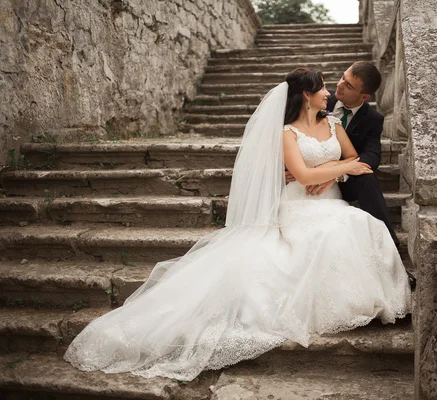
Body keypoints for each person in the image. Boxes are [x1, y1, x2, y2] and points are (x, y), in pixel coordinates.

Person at [64, 68, 412, 381]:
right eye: (323, 88)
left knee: (361, 225)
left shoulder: (334, 123)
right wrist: (333, 170)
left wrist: (331, 173)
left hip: (330, 201)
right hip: (298, 206)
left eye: (334, 87)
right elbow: (304, 175)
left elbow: (352, 157)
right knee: (326, 235)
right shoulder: (287, 133)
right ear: (307, 95)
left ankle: (370, 301)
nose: (330, 92)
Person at [286, 61, 416, 289]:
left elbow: (371, 157)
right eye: (342, 78)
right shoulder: (320, 100)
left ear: (364, 96)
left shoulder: (372, 119)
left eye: (348, 85)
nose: (339, 86)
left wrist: (330, 174)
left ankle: (393, 254)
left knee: (367, 177)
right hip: (301, 186)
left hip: (344, 181)